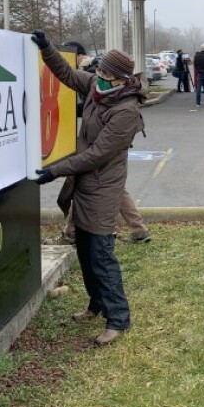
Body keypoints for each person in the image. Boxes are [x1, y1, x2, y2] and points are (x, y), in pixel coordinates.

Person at [31, 30, 143, 347]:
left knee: (101, 255)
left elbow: (96, 155)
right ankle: (96, 304)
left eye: (109, 76)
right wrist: (46, 48)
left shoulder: (126, 112)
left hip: (103, 188)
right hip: (84, 186)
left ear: (122, 79)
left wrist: (54, 170)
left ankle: (118, 318)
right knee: (83, 250)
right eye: (100, 73)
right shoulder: (96, 87)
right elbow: (67, 74)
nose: (101, 79)